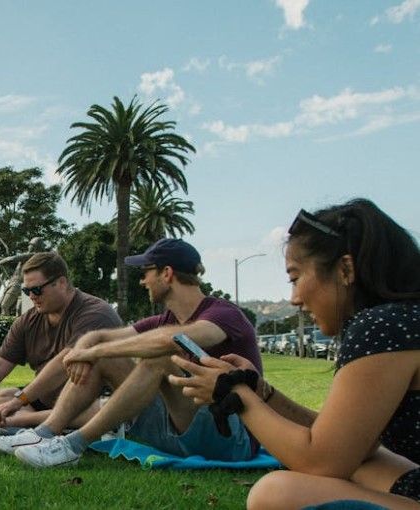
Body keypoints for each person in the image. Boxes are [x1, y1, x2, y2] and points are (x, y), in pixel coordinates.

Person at [171, 199, 420, 508]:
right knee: (364, 464)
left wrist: (232, 393)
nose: (295, 298)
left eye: (295, 277)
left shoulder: (384, 328)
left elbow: (322, 462)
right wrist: (261, 393)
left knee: (275, 494)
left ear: (345, 269)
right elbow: (350, 446)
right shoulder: (402, 321)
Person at [11, 238, 261, 467]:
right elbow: (98, 336)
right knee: (104, 358)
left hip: (232, 437)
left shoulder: (224, 315)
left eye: (146, 272)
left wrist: (93, 351)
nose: (143, 281)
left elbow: (173, 340)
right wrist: (88, 349)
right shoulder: (164, 319)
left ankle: (71, 447)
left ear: (166, 273)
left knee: (161, 358)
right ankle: (43, 434)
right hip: (179, 430)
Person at [0, 252, 121, 444]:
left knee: (105, 409)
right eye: (27, 291)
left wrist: (19, 402)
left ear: (62, 282)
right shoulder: (28, 320)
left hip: (91, 400)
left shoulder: (94, 313)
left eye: (37, 290)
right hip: (46, 402)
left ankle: (26, 422)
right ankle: (46, 424)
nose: (32, 296)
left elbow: (62, 364)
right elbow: (0, 363)